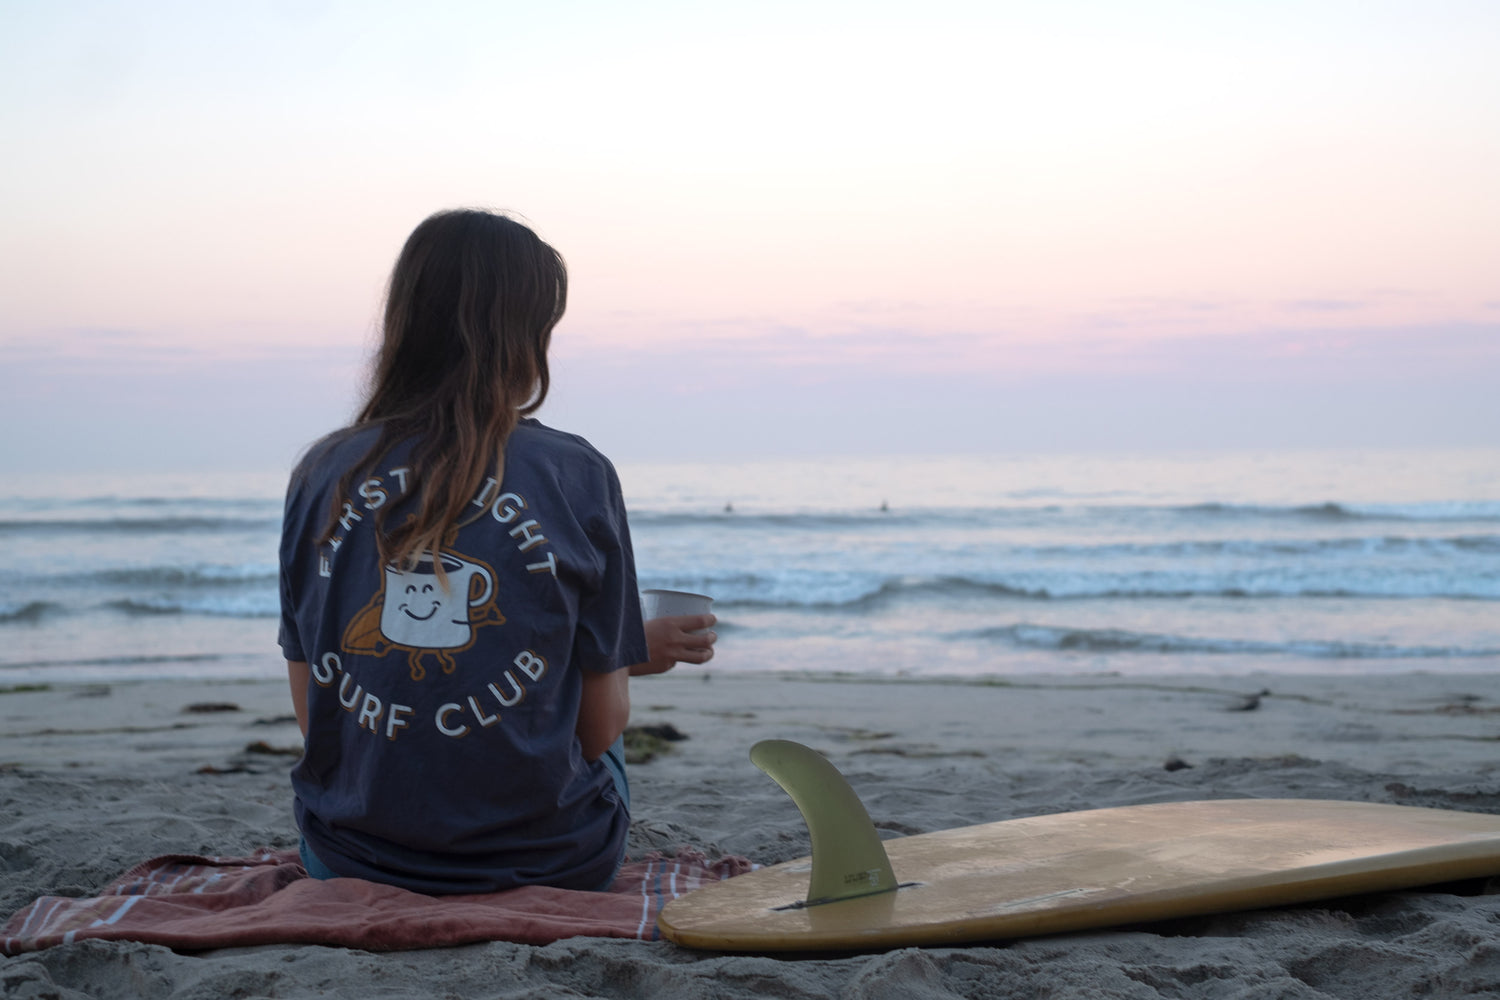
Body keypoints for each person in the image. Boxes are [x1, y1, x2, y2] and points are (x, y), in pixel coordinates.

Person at [277, 208, 716, 894]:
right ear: (527, 337)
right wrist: (623, 657)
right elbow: (600, 729)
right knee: (604, 713)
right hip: (553, 860)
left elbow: (319, 716)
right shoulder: (576, 473)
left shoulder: (323, 474)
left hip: (349, 855)